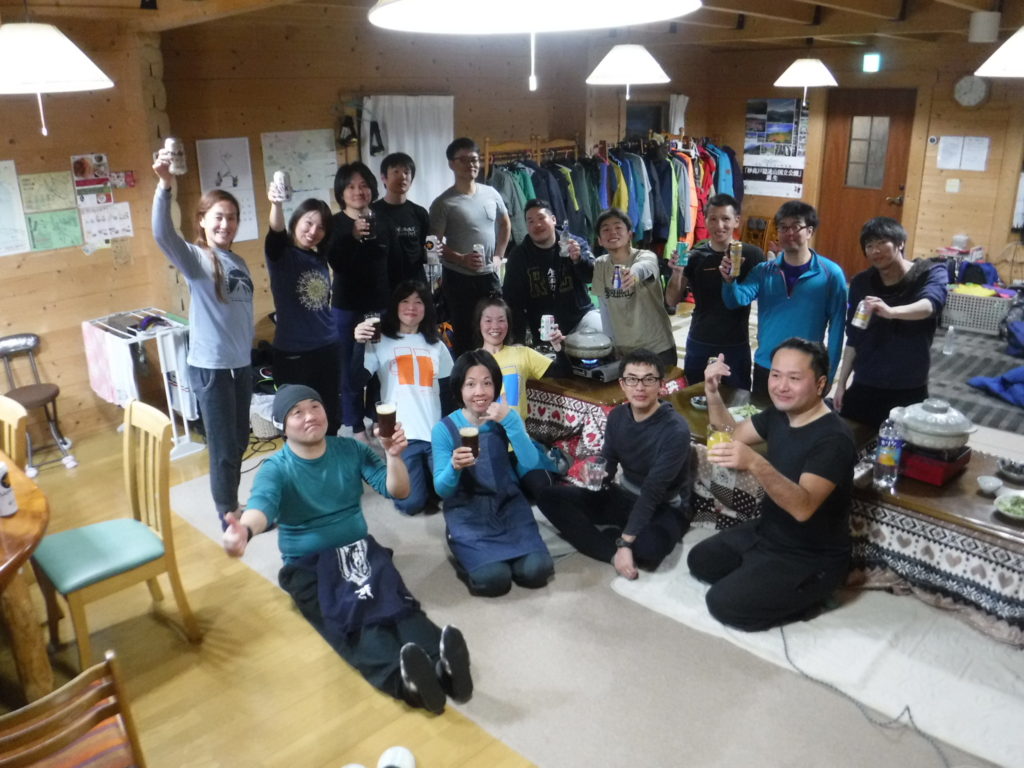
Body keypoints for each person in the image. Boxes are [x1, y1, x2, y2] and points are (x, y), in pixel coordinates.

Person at [222, 385, 472, 715]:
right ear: (282, 425)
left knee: (397, 603)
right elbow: (262, 504)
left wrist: (393, 455)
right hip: (309, 566)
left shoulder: (350, 450)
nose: (310, 416)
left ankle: (443, 664)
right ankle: (405, 683)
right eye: (297, 412)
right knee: (354, 619)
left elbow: (398, 491)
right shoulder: (276, 467)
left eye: (315, 406)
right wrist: (245, 530)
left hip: (358, 550)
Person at [688, 338, 857, 631]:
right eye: (776, 375)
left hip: (812, 554)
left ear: (820, 384)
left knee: (723, 603)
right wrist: (712, 393)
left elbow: (803, 507)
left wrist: (756, 462)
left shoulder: (834, 440)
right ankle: (762, 572)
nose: (781, 386)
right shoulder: (780, 414)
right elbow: (731, 433)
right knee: (701, 561)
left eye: (794, 378)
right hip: (769, 530)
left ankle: (816, 593)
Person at [152, 149, 253, 527]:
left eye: (232, 217)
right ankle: (228, 513)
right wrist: (165, 185)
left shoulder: (237, 260)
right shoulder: (197, 258)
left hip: (241, 365)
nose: (226, 224)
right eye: (218, 217)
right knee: (224, 446)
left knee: (239, 440)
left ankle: (231, 501)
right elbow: (163, 234)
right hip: (212, 368)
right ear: (203, 221)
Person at [536, 348, 693, 580]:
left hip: (663, 506)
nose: (639, 387)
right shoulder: (618, 416)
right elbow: (608, 463)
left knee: (649, 549)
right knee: (548, 496)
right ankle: (612, 554)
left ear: (661, 385)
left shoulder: (675, 430)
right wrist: (595, 475)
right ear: (622, 384)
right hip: (623, 496)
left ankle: (621, 541)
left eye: (648, 380)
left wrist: (625, 541)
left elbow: (653, 492)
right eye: (632, 380)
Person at [431, 350, 554, 597]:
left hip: (508, 505)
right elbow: (442, 489)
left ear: (496, 386)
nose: (480, 391)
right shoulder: (444, 429)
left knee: (537, 571)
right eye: (471, 384)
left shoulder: (504, 418)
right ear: (459, 389)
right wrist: (454, 467)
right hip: (468, 512)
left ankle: (506, 551)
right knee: (494, 579)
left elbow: (531, 462)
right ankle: (461, 542)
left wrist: (511, 421)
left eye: (487, 383)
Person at [834, 217, 949, 430]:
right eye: (869, 245)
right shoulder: (861, 282)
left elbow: (929, 306)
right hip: (866, 382)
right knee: (850, 441)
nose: (875, 250)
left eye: (881, 243)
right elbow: (854, 337)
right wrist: (841, 385)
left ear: (900, 243)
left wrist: (891, 312)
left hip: (909, 385)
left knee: (903, 444)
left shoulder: (930, 273)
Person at [720, 201, 846, 394]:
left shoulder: (831, 274)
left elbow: (837, 328)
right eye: (783, 228)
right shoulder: (763, 271)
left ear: (810, 231)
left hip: (807, 368)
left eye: (796, 227)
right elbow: (736, 301)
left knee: (801, 415)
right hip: (768, 365)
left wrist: (829, 374)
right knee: (764, 413)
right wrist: (729, 282)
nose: (789, 233)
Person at [353, 280, 454, 515]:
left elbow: (448, 392)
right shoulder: (380, 340)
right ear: (395, 306)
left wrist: (450, 432)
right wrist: (358, 343)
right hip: (401, 435)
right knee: (410, 503)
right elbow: (356, 380)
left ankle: (426, 475)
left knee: (450, 490)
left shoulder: (436, 344)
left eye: (419, 302)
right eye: (405, 301)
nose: (411, 307)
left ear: (427, 308)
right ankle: (400, 471)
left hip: (435, 433)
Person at [665, 194, 764, 389]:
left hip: (736, 342)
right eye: (713, 219)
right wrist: (677, 273)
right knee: (694, 395)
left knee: (738, 398)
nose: (719, 226)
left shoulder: (752, 255)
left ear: (736, 221)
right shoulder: (694, 256)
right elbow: (671, 300)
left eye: (725, 219)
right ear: (705, 221)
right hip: (700, 339)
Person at [265, 186, 341, 434]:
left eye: (321, 228)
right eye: (308, 223)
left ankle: (331, 457)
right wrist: (276, 203)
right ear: (296, 221)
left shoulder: (320, 259)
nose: (313, 231)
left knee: (330, 417)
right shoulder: (281, 255)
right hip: (293, 353)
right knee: (297, 423)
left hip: (328, 347)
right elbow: (275, 233)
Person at [429, 138, 512, 357]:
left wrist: (498, 256)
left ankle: (495, 372)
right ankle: (465, 375)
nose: (471, 165)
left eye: (474, 159)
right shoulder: (443, 203)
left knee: (495, 329)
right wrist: (460, 258)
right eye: (463, 160)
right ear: (451, 164)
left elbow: (505, 224)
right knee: (465, 335)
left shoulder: (491, 193)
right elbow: (431, 245)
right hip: (459, 279)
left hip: (488, 276)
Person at [327, 162, 390, 442]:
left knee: (379, 365)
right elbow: (336, 262)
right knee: (348, 367)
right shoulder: (334, 224)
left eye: (363, 185)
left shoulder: (381, 220)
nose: (358, 191)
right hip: (346, 307)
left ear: (372, 188)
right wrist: (352, 236)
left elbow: (391, 262)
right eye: (351, 186)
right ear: (341, 192)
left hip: (379, 303)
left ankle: (376, 416)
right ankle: (355, 425)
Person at [502, 198, 601, 345]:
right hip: (545, 328)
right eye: (530, 221)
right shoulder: (519, 256)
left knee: (600, 332)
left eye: (541, 218)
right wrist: (518, 343)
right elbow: (512, 302)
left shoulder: (574, 243)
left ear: (553, 220)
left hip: (581, 319)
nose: (537, 225)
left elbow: (592, 277)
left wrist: (578, 260)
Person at [591, 208, 677, 368]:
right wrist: (610, 345)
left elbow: (645, 267)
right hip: (624, 352)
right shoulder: (600, 264)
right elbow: (604, 307)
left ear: (630, 234)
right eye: (606, 229)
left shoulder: (645, 256)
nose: (612, 232)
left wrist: (634, 274)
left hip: (657, 348)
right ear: (600, 240)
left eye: (618, 227)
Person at [474, 295, 570, 421]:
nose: (495, 326)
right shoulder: (470, 361)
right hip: (483, 431)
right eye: (488, 321)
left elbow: (563, 372)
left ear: (508, 324)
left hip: (516, 433)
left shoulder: (523, 354)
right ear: (479, 324)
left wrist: (557, 346)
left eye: (501, 320)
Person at [372, 152, 431, 290]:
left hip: (415, 283)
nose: (403, 176)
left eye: (406, 172)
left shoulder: (419, 213)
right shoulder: (372, 212)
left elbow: (427, 245)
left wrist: (432, 250)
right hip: (383, 284)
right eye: (396, 172)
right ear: (383, 178)